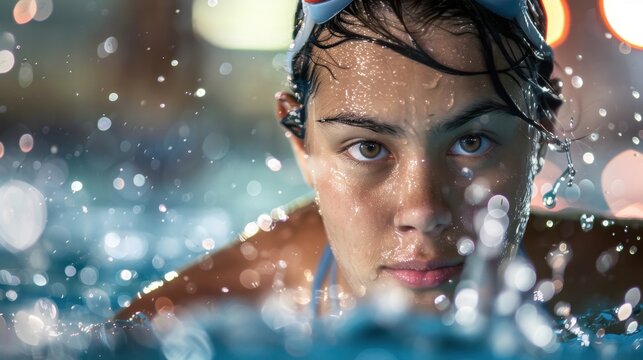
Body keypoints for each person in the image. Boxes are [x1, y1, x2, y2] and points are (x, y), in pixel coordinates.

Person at [116, 0, 641, 323]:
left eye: (472, 142)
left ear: (541, 130)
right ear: (302, 144)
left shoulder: (621, 281)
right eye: (369, 148)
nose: (423, 209)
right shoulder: (187, 323)